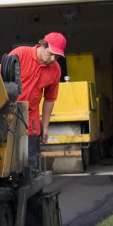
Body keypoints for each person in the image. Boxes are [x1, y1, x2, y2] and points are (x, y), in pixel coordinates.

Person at [9, 32, 66, 174]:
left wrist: (45, 127)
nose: (53, 59)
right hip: (8, 114)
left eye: (57, 56)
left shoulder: (55, 70)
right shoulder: (20, 54)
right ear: (42, 45)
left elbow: (49, 99)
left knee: (30, 164)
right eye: (51, 53)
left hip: (30, 120)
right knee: (6, 158)